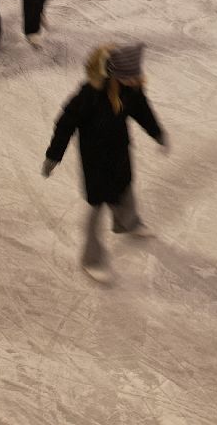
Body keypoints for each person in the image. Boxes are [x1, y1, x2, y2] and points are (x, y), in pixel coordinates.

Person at [43, 44, 166, 282]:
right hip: (95, 159)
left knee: (125, 188)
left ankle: (127, 223)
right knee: (98, 204)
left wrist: (157, 133)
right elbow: (64, 126)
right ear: (113, 75)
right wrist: (53, 156)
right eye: (131, 75)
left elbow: (143, 111)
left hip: (119, 151)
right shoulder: (88, 96)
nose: (137, 79)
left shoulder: (131, 90)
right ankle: (92, 259)